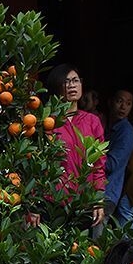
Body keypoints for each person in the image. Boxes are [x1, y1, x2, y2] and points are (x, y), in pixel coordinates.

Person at [43, 63, 107, 229]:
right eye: (66, 82)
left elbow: (99, 163)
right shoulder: (48, 122)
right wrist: (34, 206)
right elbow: (40, 164)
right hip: (53, 201)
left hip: (84, 201)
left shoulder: (92, 121)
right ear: (56, 86)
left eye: (75, 80)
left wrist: (98, 198)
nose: (72, 85)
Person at [104, 89, 133, 225]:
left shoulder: (126, 131)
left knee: (94, 243)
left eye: (128, 103)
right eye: (119, 101)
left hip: (107, 194)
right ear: (110, 102)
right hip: (97, 191)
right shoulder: (107, 126)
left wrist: (86, 157)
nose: (123, 107)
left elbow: (111, 164)